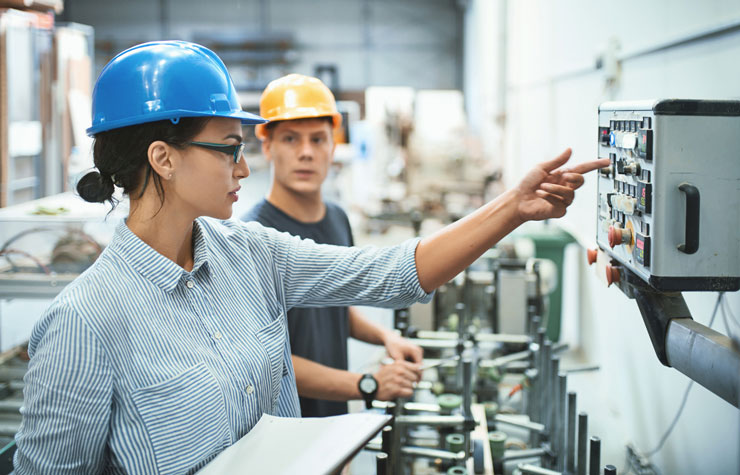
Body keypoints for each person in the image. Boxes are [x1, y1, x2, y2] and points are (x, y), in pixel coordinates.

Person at [13, 40, 608, 474]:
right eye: (227, 150)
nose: (244, 168)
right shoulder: (84, 324)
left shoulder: (250, 254)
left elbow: (390, 273)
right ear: (163, 158)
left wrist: (513, 207)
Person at [243, 74, 422, 417]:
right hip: (284, 430)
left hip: (334, 420)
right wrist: (365, 384)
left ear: (333, 146)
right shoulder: (251, 236)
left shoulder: (338, 219)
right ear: (267, 147)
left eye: (318, 139)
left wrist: (386, 338)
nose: (306, 153)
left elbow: (336, 307)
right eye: (291, 139)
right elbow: (262, 359)